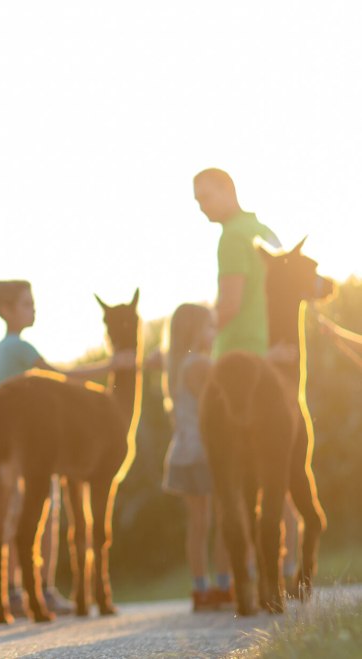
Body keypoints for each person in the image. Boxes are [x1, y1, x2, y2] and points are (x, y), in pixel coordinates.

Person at [0, 279, 135, 617]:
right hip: (32, 429)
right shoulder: (19, 348)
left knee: (4, 517)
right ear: (6, 309)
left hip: (2, 427)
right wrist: (112, 366)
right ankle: (40, 596)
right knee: (34, 514)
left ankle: (5, 598)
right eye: (26, 303)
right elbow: (58, 376)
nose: (32, 308)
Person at [192, 168, 300, 591]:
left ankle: (240, 589)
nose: (201, 206)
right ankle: (286, 580)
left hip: (234, 364)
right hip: (273, 365)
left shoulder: (232, 237)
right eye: (196, 200)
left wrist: (196, 338)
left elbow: (231, 305)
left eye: (206, 196)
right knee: (281, 479)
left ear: (228, 190)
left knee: (230, 487)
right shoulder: (266, 232)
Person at [160, 303, 233, 611]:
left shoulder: (176, 364)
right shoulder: (200, 364)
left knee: (198, 522)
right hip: (205, 451)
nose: (215, 333)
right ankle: (225, 584)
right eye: (210, 327)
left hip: (183, 452)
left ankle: (200, 588)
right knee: (223, 516)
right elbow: (218, 404)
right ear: (195, 331)